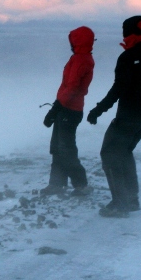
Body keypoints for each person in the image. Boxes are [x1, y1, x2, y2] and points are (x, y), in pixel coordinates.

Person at [86, 15, 141, 217]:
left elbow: (119, 88)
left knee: (110, 154)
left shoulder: (128, 57)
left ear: (129, 33)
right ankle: (131, 200)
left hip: (128, 116)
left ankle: (121, 203)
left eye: (124, 31)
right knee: (124, 152)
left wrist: (97, 110)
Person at [40, 26, 95, 197]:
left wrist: (56, 108)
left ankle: (81, 185)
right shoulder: (80, 58)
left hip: (69, 110)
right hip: (68, 108)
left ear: (77, 42)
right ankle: (57, 184)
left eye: (72, 41)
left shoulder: (80, 60)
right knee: (57, 148)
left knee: (65, 149)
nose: (70, 44)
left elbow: (72, 88)